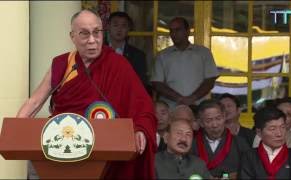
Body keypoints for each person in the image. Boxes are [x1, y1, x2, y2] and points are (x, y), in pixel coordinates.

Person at [16, 9, 157, 179]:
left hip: (107, 150)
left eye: (96, 33)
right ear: (72, 36)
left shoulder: (118, 64)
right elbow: (35, 101)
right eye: (84, 34)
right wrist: (16, 130)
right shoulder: (63, 64)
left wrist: (140, 128)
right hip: (64, 147)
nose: (92, 40)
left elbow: (141, 103)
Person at [151, 17, 219, 109]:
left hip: (199, 108)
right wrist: (180, 99)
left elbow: (210, 80)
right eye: (171, 31)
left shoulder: (203, 53)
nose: (174, 34)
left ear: (188, 31)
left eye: (178, 30)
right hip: (171, 109)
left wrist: (192, 98)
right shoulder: (162, 55)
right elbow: (157, 84)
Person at [238, 106, 291, 179]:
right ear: (259, 132)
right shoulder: (248, 157)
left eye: (282, 127)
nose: (279, 133)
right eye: (272, 129)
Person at [192, 99, 249, 179]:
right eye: (209, 120)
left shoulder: (239, 143)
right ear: (201, 123)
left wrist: (227, 177)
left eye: (218, 119)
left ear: (224, 117)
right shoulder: (192, 144)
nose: (215, 125)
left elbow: (249, 171)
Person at [106, 11, 150, 95]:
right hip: (101, 103)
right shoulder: (98, 52)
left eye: (123, 26)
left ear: (128, 29)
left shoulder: (138, 55)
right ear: (108, 27)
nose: (119, 29)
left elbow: (141, 84)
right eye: (115, 25)